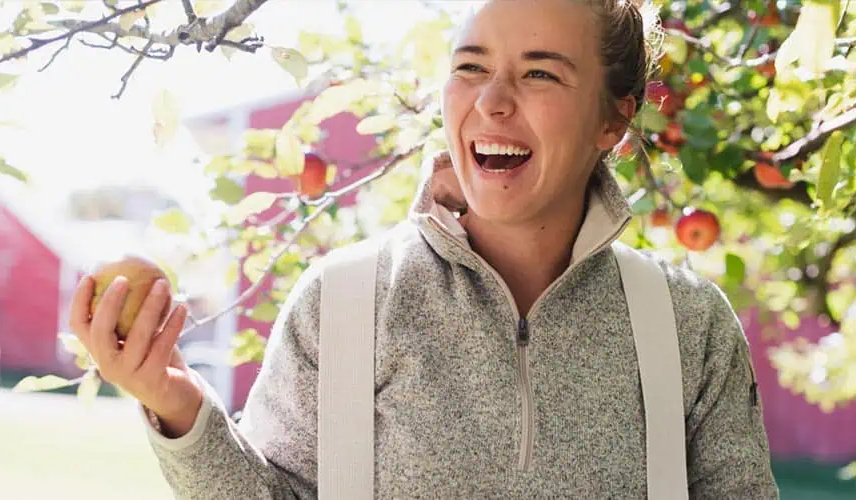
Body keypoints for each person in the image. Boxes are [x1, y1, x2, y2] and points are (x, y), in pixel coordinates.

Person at [69, 0, 780, 497]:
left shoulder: (687, 327)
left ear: (613, 120)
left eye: (540, 73)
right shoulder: (341, 304)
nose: (492, 100)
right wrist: (176, 404)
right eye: (470, 66)